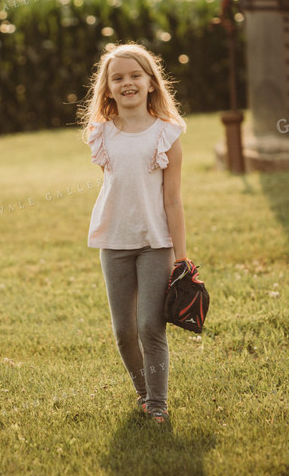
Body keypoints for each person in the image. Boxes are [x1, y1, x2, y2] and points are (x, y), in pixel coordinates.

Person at [78, 43, 194, 426]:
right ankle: (143, 395)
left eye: (134, 76)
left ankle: (158, 404)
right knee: (124, 331)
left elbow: (173, 200)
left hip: (155, 243)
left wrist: (181, 257)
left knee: (149, 325)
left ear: (150, 83)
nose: (127, 83)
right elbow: (114, 187)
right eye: (118, 78)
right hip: (113, 242)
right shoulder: (101, 134)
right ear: (107, 89)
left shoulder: (167, 135)